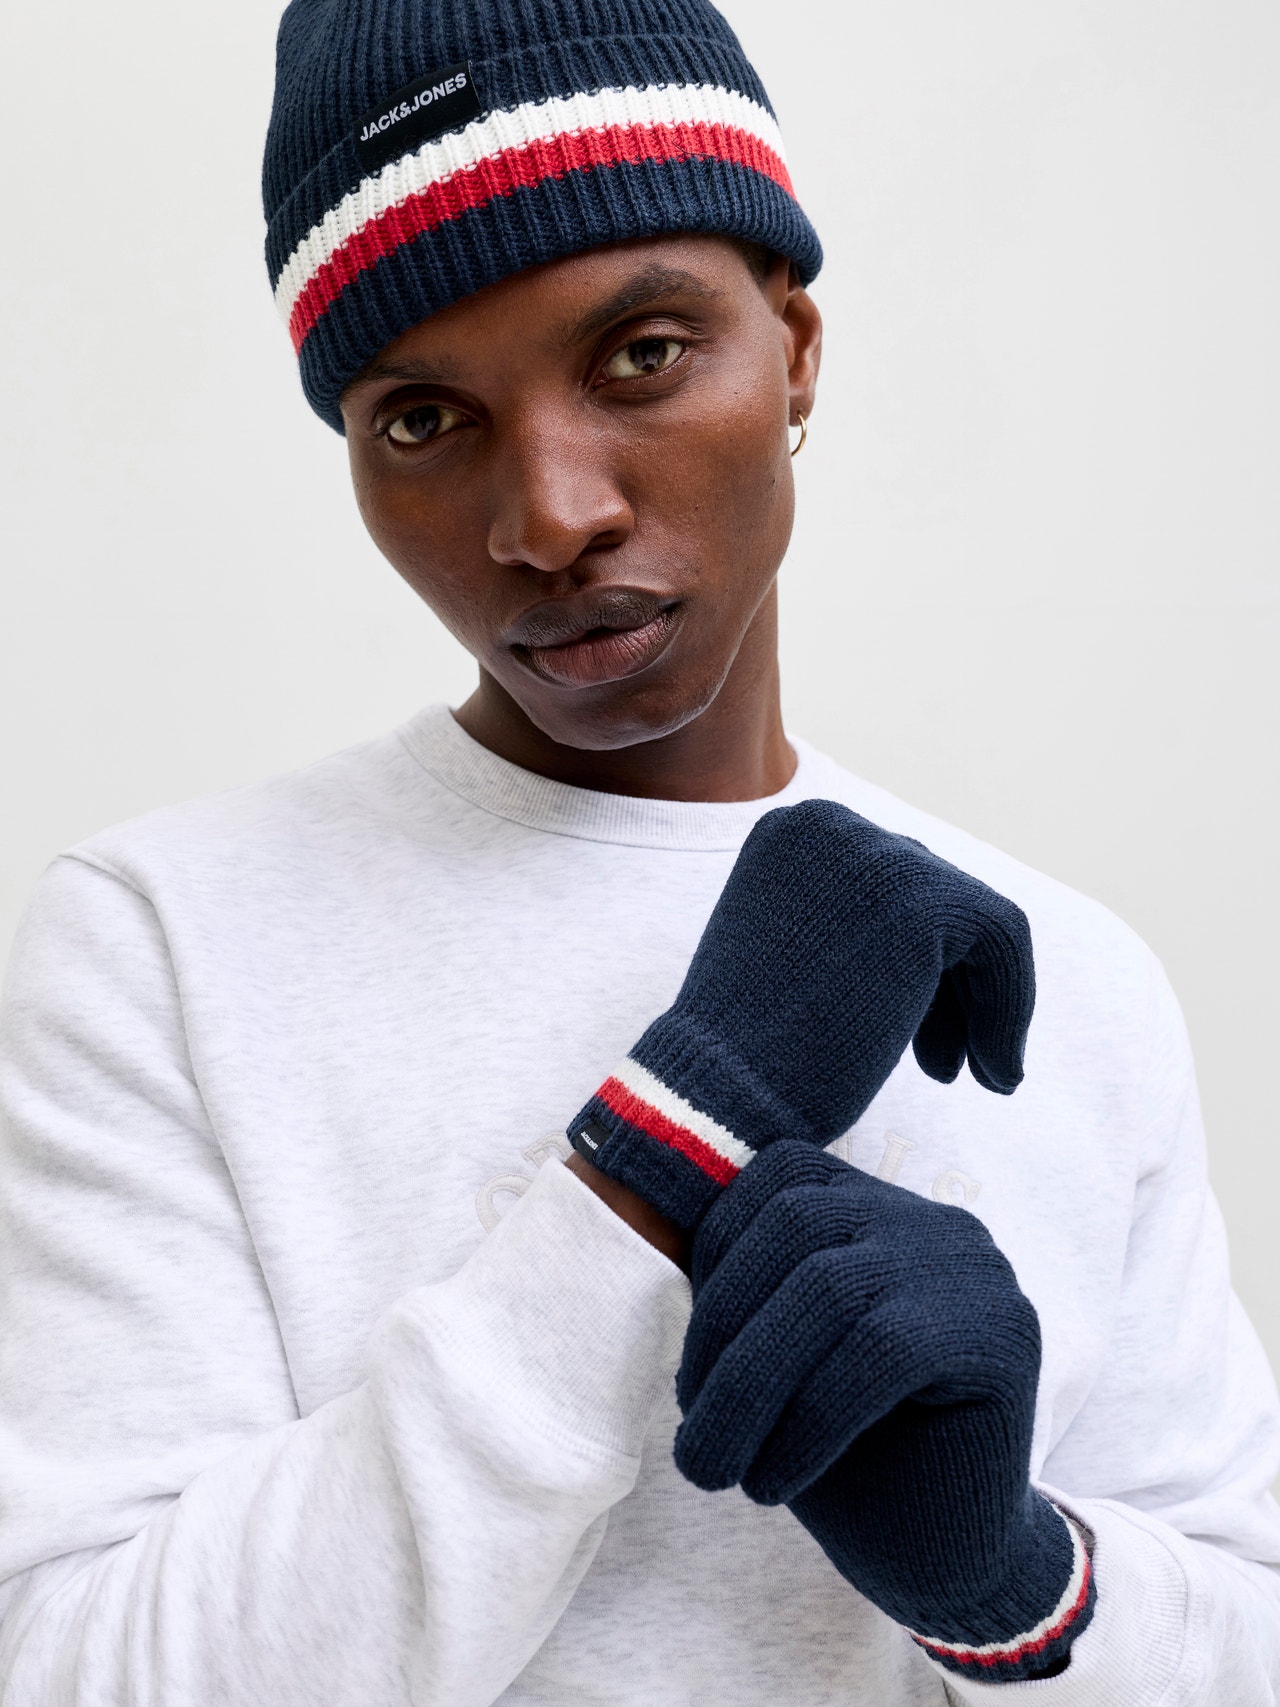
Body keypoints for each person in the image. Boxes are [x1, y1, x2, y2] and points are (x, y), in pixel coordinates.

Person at [1, 0, 1277, 1700]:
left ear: (795, 349)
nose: (550, 516)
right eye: (420, 419)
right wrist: (666, 1148)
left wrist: (1013, 1581)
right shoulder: (160, 943)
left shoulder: (1067, 976)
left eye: (644, 354)